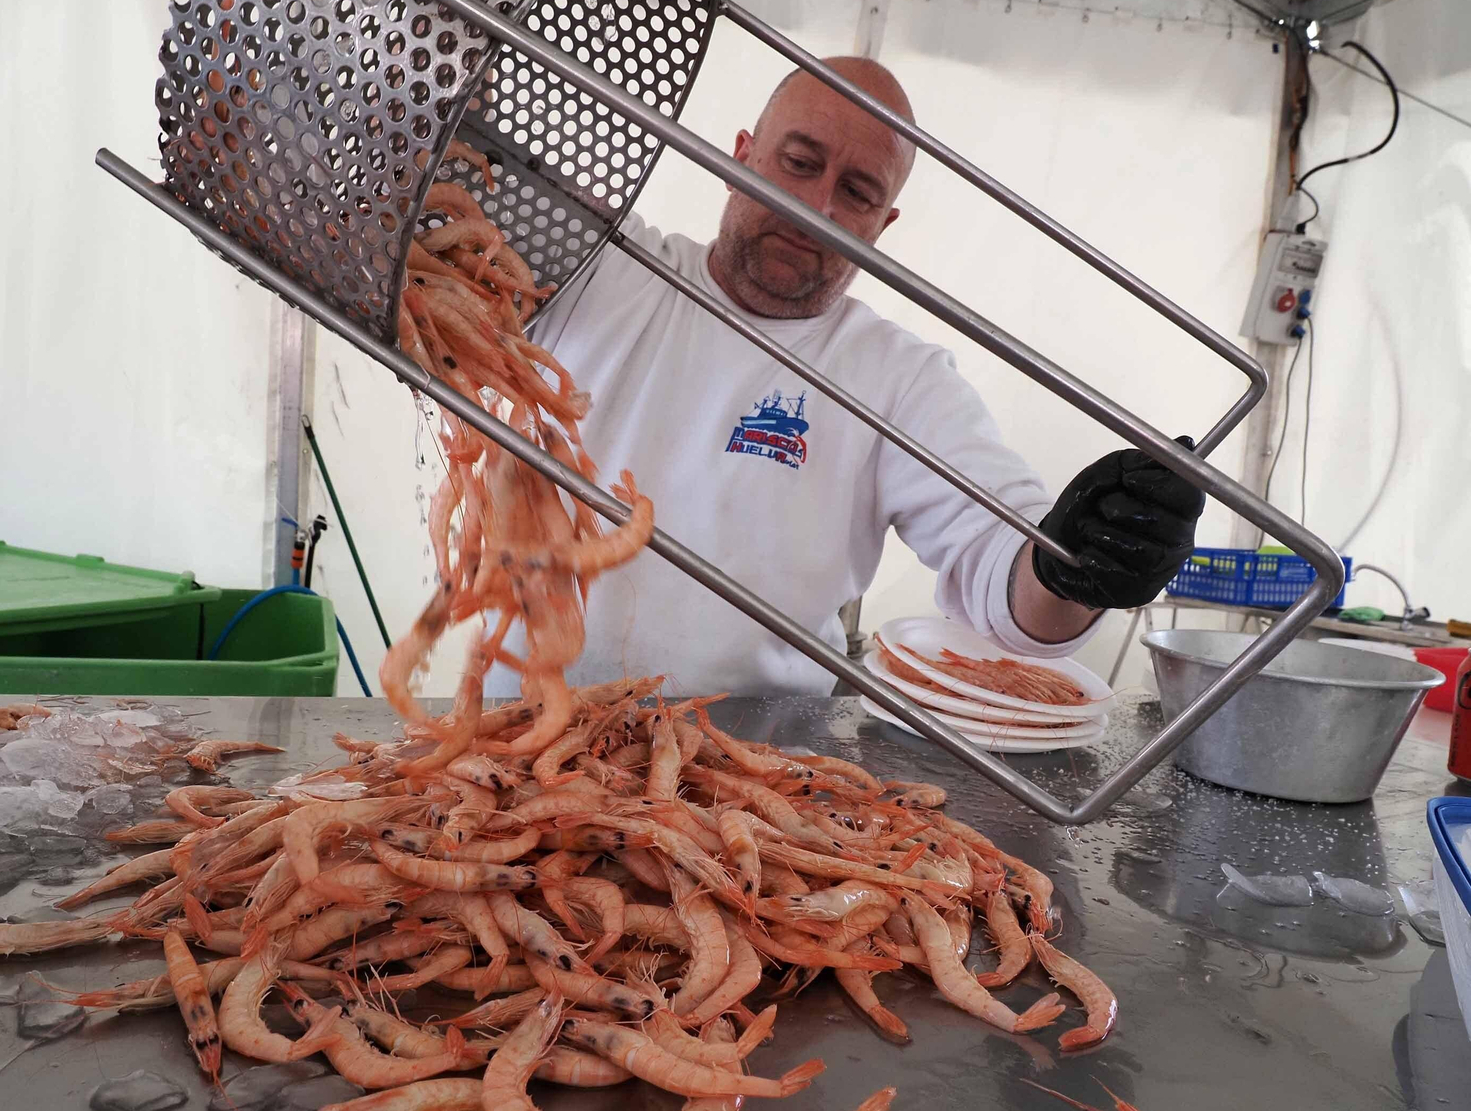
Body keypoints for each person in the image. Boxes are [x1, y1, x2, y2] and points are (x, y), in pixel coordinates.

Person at [489, 57, 1204, 697]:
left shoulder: (898, 377)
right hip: (517, 736)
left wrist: (1075, 569)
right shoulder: (605, 269)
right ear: (742, 155)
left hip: (753, 772)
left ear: (883, 223)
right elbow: (453, 188)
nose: (818, 208)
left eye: (857, 191)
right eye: (799, 162)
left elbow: (1000, 566)